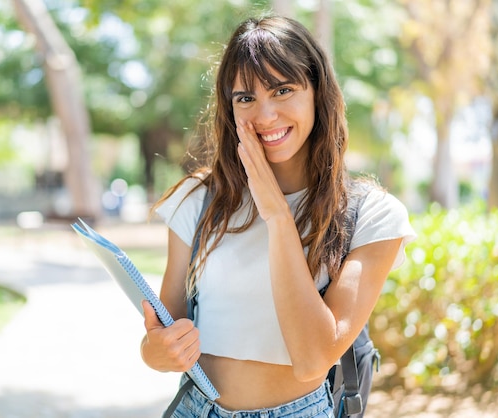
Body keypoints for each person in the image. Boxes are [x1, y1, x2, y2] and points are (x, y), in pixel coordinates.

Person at [141, 15, 416, 418]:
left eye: (282, 90)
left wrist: (276, 214)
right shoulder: (198, 199)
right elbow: (161, 335)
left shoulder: (371, 215)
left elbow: (312, 359)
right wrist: (156, 352)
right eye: (245, 98)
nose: (265, 115)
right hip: (196, 408)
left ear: (317, 92)